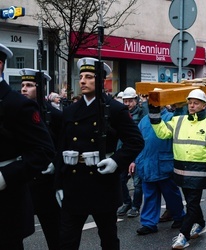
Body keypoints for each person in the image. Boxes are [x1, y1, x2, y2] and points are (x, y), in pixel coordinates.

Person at [54, 57, 144, 249]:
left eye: (89, 77)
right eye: (81, 77)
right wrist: (58, 183)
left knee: (108, 238)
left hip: (101, 183)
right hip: (74, 182)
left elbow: (135, 141)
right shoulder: (70, 111)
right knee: (67, 240)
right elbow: (61, 148)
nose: (83, 81)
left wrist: (116, 161)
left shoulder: (115, 109)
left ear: (101, 81)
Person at [149, 89, 206, 249]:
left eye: (196, 103)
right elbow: (162, 133)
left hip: (201, 171)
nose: (192, 105)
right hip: (181, 170)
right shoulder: (178, 120)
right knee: (191, 201)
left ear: (204, 105)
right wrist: (154, 112)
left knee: (192, 203)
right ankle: (200, 224)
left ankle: (183, 235)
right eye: (190, 102)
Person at [0, 43, 55, 249]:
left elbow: (44, 150)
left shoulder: (16, 104)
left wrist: (5, 176)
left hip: (6, 199)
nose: (25, 89)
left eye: (29, 85)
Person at [20, 68, 63, 249]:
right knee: (14, 235)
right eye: (22, 85)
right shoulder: (16, 112)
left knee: (55, 235)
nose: (23, 89)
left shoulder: (55, 116)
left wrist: (56, 166)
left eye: (29, 85)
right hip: (24, 183)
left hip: (47, 184)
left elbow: (64, 146)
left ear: (41, 89)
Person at [134, 99, 185, 235]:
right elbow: (137, 141)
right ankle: (149, 223)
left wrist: (180, 107)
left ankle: (179, 216)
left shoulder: (170, 117)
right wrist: (135, 160)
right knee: (150, 195)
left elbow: (181, 122)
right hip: (146, 165)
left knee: (171, 194)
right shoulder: (144, 120)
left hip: (164, 164)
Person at [117, 86, 148, 218]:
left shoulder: (141, 114)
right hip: (123, 152)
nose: (128, 104)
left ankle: (135, 206)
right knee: (120, 179)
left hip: (136, 154)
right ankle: (126, 203)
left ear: (136, 100)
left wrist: (135, 159)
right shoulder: (121, 114)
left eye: (130, 101)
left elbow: (141, 137)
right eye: (125, 101)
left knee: (137, 183)